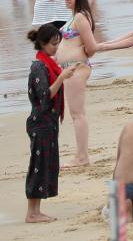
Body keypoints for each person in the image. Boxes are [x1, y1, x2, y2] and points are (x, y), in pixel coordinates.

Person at [24, 24, 79, 224]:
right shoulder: (39, 66)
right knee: (38, 165)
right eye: (53, 44)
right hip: (41, 123)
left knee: (45, 164)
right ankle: (32, 213)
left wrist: (63, 74)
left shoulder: (47, 64)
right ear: (43, 44)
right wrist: (62, 77)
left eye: (58, 43)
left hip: (48, 122)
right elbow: (45, 96)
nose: (56, 48)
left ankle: (35, 211)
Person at [57, 0, 97, 167]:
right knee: (76, 114)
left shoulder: (81, 17)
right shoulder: (75, 17)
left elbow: (92, 47)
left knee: (77, 114)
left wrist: (80, 57)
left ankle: (82, 157)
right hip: (69, 68)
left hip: (76, 68)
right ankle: (81, 155)